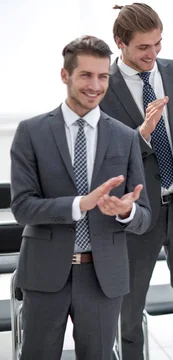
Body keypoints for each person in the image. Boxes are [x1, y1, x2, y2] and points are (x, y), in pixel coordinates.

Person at [10, 35, 151, 360]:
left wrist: (127, 212)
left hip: (103, 276)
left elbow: (143, 217)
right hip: (45, 275)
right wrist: (79, 205)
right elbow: (22, 207)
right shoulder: (32, 133)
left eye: (103, 76)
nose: (95, 85)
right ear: (65, 76)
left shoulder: (125, 137)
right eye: (86, 75)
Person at [100, 3, 173, 360]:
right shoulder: (102, 88)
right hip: (136, 216)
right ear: (119, 42)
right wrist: (142, 134)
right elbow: (101, 159)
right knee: (129, 314)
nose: (152, 54)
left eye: (158, 44)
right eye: (143, 47)